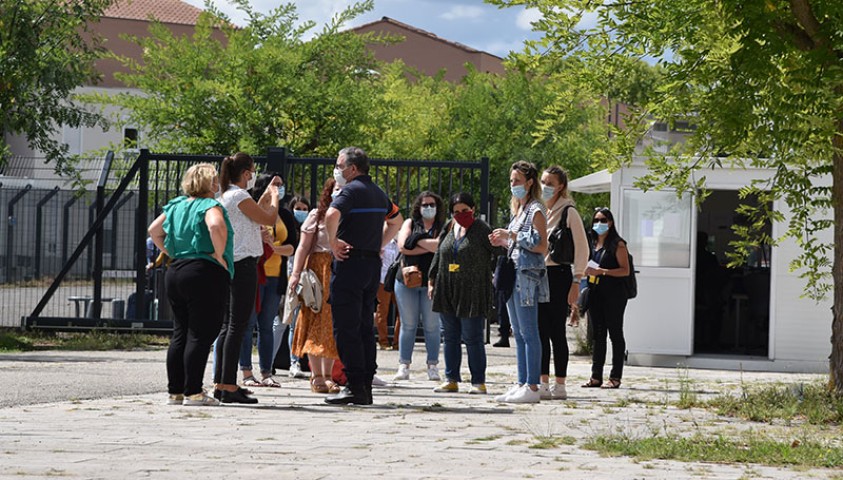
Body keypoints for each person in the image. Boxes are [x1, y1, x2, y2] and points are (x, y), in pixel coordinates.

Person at [147, 163, 232, 406]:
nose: (218, 184)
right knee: (200, 333)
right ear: (210, 183)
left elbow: (154, 230)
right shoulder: (210, 205)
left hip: (176, 270)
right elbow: (215, 225)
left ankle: (175, 391)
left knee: (180, 332)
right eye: (215, 180)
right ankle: (194, 392)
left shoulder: (176, 205)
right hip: (203, 271)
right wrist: (218, 254)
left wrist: (170, 250)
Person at [325, 147, 403, 405]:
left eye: (340, 165)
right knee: (364, 327)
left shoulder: (350, 191)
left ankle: (355, 385)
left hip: (350, 265)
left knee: (346, 328)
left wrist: (333, 242)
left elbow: (331, 214)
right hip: (371, 266)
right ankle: (365, 384)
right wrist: (379, 244)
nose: (337, 171)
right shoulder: (378, 193)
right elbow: (397, 219)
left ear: (353, 168)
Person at [213, 152, 280, 404]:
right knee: (237, 326)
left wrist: (264, 197)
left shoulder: (228, 196)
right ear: (245, 173)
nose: (253, 175)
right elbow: (269, 217)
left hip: (232, 263)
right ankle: (228, 385)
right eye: (252, 171)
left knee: (229, 325)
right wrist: (274, 195)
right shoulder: (239, 195)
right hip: (243, 265)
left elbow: (256, 212)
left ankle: (222, 382)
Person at [429, 192, 502, 395]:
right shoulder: (450, 227)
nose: (461, 215)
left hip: (472, 289)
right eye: (456, 212)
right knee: (449, 336)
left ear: (473, 209)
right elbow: (439, 253)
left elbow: (499, 252)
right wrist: (432, 279)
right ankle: (451, 378)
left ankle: (478, 381)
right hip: (447, 287)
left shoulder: (481, 229)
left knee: (472, 337)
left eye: (465, 211)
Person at [489, 161, 549, 404]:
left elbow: (541, 245)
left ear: (529, 182)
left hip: (527, 275)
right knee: (518, 332)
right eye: (511, 181)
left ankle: (533, 385)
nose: (513, 185)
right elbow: (521, 244)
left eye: (517, 181)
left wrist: (510, 234)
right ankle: (523, 381)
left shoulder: (535, 209)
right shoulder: (519, 210)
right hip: (515, 272)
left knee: (529, 331)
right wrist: (503, 241)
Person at [239, 173, 297, 388]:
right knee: (248, 324)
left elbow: (293, 245)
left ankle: (266, 371)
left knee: (267, 325)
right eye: (275, 185)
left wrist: (274, 248)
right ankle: (246, 371)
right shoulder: (252, 210)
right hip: (254, 274)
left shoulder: (285, 214)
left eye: (281, 185)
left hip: (276, 277)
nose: (279, 189)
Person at [536, 166, 588, 400]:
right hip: (537, 274)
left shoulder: (569, 212)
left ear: (561, 186)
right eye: (542, 181)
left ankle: (561, 383)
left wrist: (577, 280)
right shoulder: (537, 210)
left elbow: (582, 249)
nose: (545, 186)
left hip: (559, 275)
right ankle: (542, 381)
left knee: (557, 330)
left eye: (549, 183)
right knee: (540, 331)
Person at [289, 179, 342, 394]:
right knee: (313, 319)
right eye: (337, 189)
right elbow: (303, 246)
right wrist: (295, 274)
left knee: (332, 323)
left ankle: (328, 375)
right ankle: (316, 375)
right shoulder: (316, 215)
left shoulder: (349, 215)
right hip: (317, 273)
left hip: (339, 269)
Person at [393, 191, 444, 382]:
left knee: (432, 326)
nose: (428, 208)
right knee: (408, 324)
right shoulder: (409, 223)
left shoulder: (443, 226)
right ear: (418, 207)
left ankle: (432, 365)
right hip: (407, 280)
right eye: (425, 205)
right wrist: (428, 245)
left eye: (432, 204)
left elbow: (442, 246)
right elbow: (403, 246)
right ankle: (404, 365)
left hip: (432, 281)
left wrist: (417, 242)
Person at [581, 208, 630, 389]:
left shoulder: (618, 244)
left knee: (615, 333)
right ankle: (596, 376)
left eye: (603, 220)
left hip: (615, 295)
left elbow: (625, 270)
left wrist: (602, 271)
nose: (599, 224)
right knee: (598, 335)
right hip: (595, 293)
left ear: (610, 222)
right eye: (596, 220)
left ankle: (615, 376)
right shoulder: (593, 244)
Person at [272, 196, 311, 377]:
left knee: (296, 324)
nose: (301, 211)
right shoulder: (287, 227)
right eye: (298, 208)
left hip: (303, 280)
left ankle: (294, 363)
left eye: (304, 208)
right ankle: (268, 361)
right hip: (286, 279)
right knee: (279, 323)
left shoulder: (310, 228)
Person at [375, 237, 400, 350]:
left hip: (398, 280)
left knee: (402, 312)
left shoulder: (401, 242)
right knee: (382, 311)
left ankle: (397, 342)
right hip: (383, 280)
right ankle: (383, 341)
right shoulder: (382, 242)